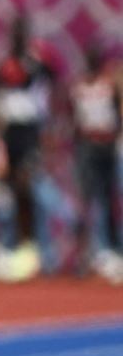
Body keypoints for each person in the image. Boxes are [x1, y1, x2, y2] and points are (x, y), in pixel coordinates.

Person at [0, 17, 55, 258]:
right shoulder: (3, 63)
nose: (16, 38)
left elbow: (52, 80)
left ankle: (44, 250)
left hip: (30, 130)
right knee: (10, 190)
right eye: (13, 33)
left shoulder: (33, 62)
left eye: (21, 33)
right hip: (9, 131)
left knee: (33, 187)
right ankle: (13, 246)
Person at [69, 43, 121, 275]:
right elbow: (73, 118)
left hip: (108, 145)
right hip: (88, 148)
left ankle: (113, 248)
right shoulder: (78, 88)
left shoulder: (109, 85)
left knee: (111, 197)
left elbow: (117, 111)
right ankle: (95, 252)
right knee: (91, 199)